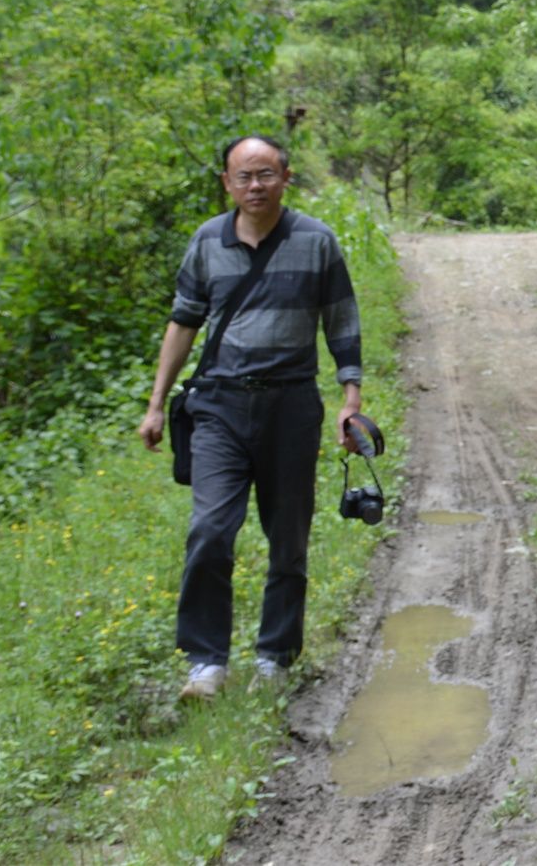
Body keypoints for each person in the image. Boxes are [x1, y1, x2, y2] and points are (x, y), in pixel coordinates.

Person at [137, 135, 364, 701]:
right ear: (227, 183)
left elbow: (341, 319)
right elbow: (183, 320)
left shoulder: (316, 241)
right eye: (244, 176)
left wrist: (350, 397)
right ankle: (206, 662)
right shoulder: (207, 241)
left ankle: (275, 656)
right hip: (219, 405)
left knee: (288, 537)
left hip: (290, 404)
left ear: (287, 176)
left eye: (266, 174)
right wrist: (157, 402)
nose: (255, 186)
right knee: (210, 530)